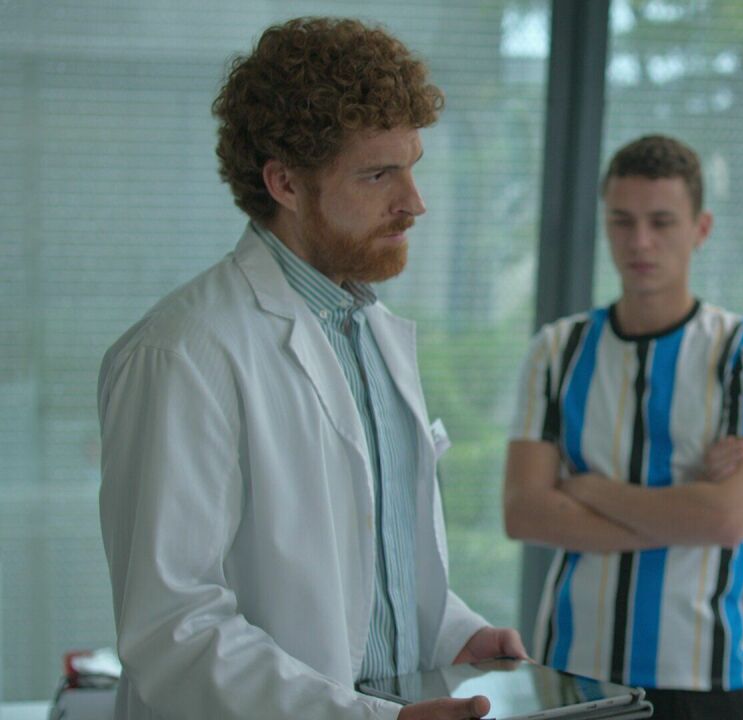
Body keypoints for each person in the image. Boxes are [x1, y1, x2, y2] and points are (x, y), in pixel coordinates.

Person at [97, 17, 524, 720]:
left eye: (412, 165)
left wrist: (457, 636)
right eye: (379, 174)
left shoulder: (369, 332)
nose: (414, 202)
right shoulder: (181, 353)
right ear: (285, 183)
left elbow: (371, 568)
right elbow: (173, 628)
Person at [502, 135, 743, 720]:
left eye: (661, 222)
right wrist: (686, 514)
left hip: (700, 672)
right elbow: (524, 513)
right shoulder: (557, 349)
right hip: (571, 666)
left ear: (701, 229)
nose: (639, 242)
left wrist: (588, 489)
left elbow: (728, 518)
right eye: (622, 221)